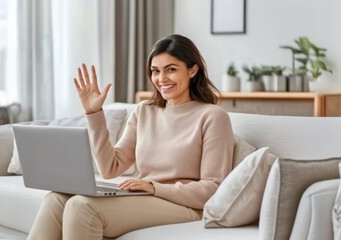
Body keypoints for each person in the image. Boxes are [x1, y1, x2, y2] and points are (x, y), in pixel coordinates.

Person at [27, 34, 234, 240]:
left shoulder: (213, 117)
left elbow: (212, 187)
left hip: (186, 207)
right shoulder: (145, 110)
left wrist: (154, 187)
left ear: (192, 70)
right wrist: (94, 114)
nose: (161, 79)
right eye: (155, 71)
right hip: (144, 196)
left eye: (171, 69)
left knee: (82, 206)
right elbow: (110, 168)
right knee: (55, 199)